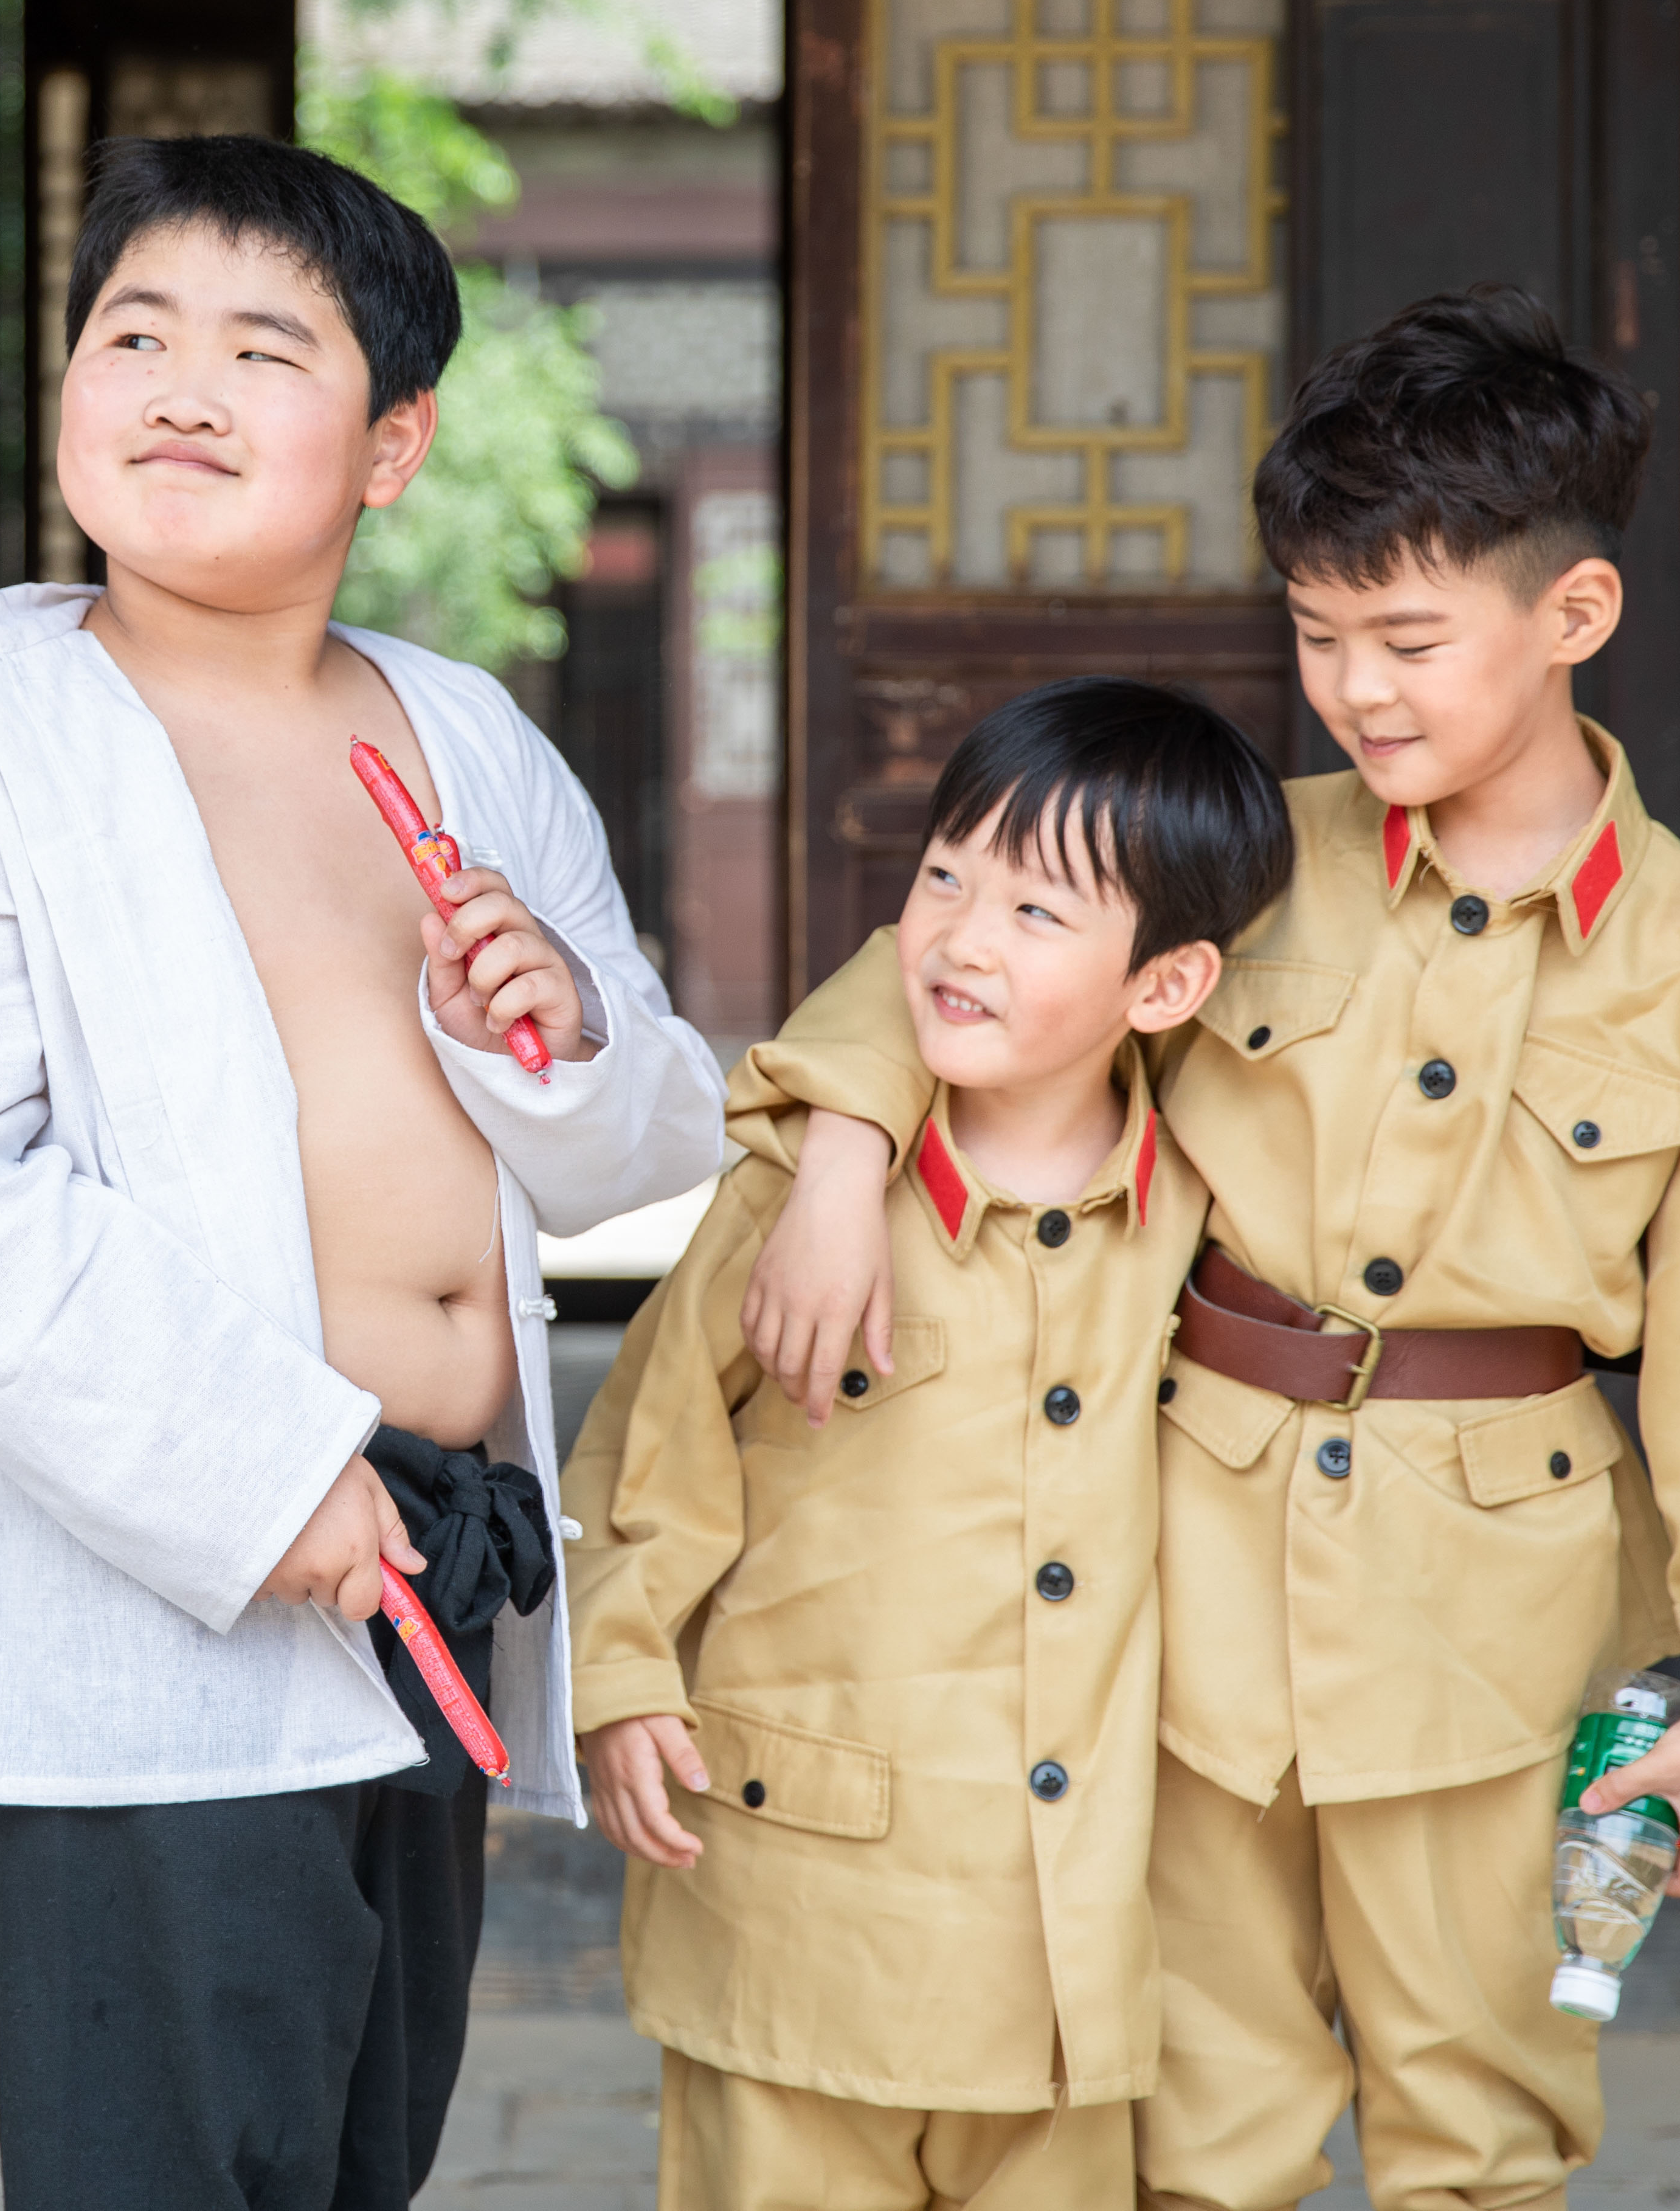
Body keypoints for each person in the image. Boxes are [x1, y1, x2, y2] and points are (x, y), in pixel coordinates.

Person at [747, 288, 1680, 2211]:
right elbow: (960, 964)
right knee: (1196, 2111)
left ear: (1573, 617)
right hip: (1170, 1562)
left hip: (1499, 1617)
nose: (1356, 687)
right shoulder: (1250, 863)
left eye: (1410, 640)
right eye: (1318, 632)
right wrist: (845, 1147)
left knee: (1483, 2118)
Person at [0, 136, 730, 2210]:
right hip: (188, 1582)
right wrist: (263, 1480)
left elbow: (656, 1133)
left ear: (391, 447)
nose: (180, 389)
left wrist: (560, 1030)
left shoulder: (467, 732)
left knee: (357, 2151)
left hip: (438, 1578)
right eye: (133, 334)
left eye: (260, 347)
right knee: (181, 2170)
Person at [564, 679, 1290, 2211]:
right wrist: (617, 1679)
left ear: (1165, 987)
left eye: (1041, 911)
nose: (963, 935)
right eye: (947, 875)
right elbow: (655, 1445)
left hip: (1061, 1954)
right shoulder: (799, 1197)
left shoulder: (1205, 1207)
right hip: (801, 1904)